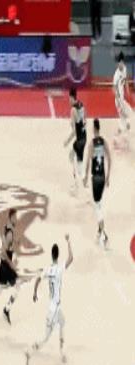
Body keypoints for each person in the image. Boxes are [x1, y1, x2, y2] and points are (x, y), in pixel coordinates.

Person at [25, 235, 73, 365]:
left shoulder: (48, 269)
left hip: (54, 306)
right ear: (58, 255)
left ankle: (62, 354)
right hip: (55, 309)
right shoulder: (59, 268)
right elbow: (71, 258)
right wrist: (68, 241)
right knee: (45, 338)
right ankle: (30, 351)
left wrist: (35, 293)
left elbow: (37, 279)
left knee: (62, 322)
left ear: (51, 255)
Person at [83, 119, 111, 249]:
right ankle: (99, 231)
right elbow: (109, 159)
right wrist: (108, 177)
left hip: (95, 178)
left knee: (97, 207)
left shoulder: (91, 144)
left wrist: (85, 177)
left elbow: (88, 162)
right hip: (103, 177)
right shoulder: (104, 142)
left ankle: (103, 234)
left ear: (94, 129)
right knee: (98, 203)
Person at [63, 88, 87, 195]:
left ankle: (77, 186)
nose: (69, 101)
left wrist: (67, 141)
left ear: (72, 97)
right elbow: (85, 120)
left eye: (69, 99)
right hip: (84, 137)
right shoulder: (81, 105)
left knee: (72, 158)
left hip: (79, 139)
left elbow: (74, 131)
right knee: (78, 160)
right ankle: (82, 183)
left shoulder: (73, 110)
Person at [113, 52, 132, 144]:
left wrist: (127, 89)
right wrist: (118, 99)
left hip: (122, 98)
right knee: (125, 116)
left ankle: (118, 136)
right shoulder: (116, 75)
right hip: (118, 100)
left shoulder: (124, 68)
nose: (120, 64)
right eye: (119, 63)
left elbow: (125, 79)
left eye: (121, 62)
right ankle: (118, 137)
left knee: (124, 117)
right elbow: (114, 88)